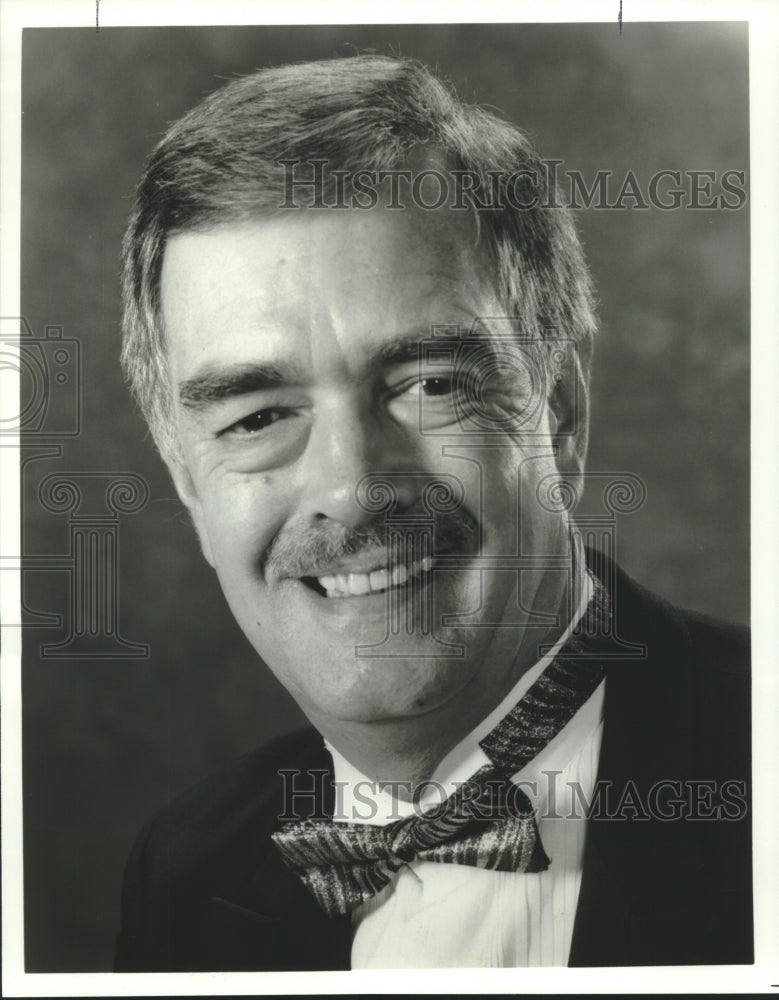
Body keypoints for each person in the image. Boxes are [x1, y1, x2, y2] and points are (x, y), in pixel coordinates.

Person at [114, 55, 751, 971]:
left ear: (558, 409)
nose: (349, 488)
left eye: (428, 384)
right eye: (256, 417)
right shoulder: (182, 873)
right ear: (184, 474)